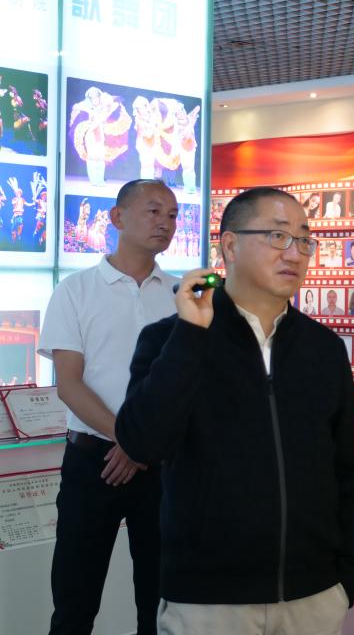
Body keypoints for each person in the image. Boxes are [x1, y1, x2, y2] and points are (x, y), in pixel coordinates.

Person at [115, 186, 354, 633]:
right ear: (230, 246)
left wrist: (346, 575)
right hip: (207, 599)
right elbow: (142, 442)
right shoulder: (171, 339)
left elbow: (349, 468)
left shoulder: (323, 348)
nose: (295, 253)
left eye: (304, 239)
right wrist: (190, 337)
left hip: (313, 594)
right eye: (277, 236)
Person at [38, 179, 178, 635]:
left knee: (162, 606)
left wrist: (142, 448)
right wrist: (131, 440)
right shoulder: (76, 290)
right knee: (74, 603)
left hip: (162, 469)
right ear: (117, 217)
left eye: (173, 215)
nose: (165, 223)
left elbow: (188, 388)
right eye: (154, 211)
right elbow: (70, 385)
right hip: (92, 463)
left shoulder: (183, 296)